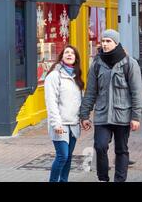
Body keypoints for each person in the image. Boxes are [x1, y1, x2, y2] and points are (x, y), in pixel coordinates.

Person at [79, 29, 142, 182]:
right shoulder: (96, 64)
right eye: (103, 41)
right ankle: (103, 178)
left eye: (108, 41)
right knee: (100, 146)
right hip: (102, 115)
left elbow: (137, 92)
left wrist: (136, 116)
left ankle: (119, 180)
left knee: (121, 150)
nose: (105, 44)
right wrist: (84, 115)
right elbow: (90, 92)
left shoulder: (129, 63)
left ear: (116, 43)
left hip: (122, 115)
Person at [44, 45, 84, 182]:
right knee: (62, 156)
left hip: (73, 124)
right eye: (66, 52)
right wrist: (56, 123)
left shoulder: (76, 77)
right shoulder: (54, 75)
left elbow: (79, 102)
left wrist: (83, 119)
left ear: (76, 59)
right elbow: (51, 102)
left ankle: (64, 180)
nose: (69, 54)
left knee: (69, 157)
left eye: (72, 53)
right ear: (61, 56)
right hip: (60, 124)